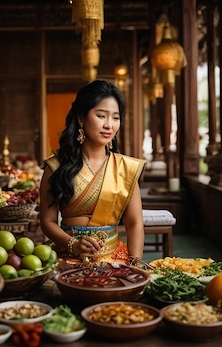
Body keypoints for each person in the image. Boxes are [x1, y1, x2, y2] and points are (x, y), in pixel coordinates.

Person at [38, 80, 145, 266]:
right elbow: (48, 221)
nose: (109, 125)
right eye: (101, 116)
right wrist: (73, 244)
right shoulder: (56, 167)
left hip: (114, 259)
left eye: (115, 118)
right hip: (67, 256)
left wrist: (135, 264)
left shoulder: (125, 168)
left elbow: (134, 223)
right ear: (81, 117)